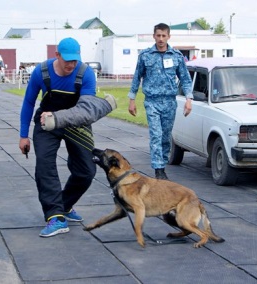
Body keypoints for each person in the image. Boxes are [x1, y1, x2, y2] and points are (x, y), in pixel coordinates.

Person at [19, 37, 114, 238]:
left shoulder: (85, 74)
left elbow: (85, 110)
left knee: (86, 171)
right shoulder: (41, 72)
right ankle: (55, 216)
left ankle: (65, 204)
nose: (71, 64)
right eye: (67, 60)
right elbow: (28, 103)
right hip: (46, 123)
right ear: (57, 56)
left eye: (75, 60)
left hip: (76, 122)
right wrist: (23, 135)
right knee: (44, 167)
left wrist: (60, 118)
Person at [127, 23, 193, 180]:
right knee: (156, 134)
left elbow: (185, 79)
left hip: (169, 101)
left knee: (165, 136)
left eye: (164, 36)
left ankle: (162, 162)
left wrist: (188, 99)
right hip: (152, 101)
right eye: (158, 35)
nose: (161, 39)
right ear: (154, 36)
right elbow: (137, 77)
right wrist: (132, 99)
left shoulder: (176, 56)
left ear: (169, 36)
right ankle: (159, 169)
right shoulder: (145, 55)